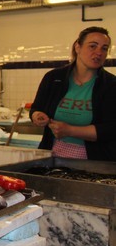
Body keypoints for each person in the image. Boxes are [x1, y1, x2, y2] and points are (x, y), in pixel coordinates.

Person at [30, 26, 116, 160]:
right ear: (78, 47)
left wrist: (70, 131)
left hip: (95, 160)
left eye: (104, 48)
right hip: (51, 156)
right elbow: (36, 108)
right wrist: (38, 115)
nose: (99, 52)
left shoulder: (111, 85)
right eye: (93, 46)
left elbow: (111, 129)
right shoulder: (54, 78)